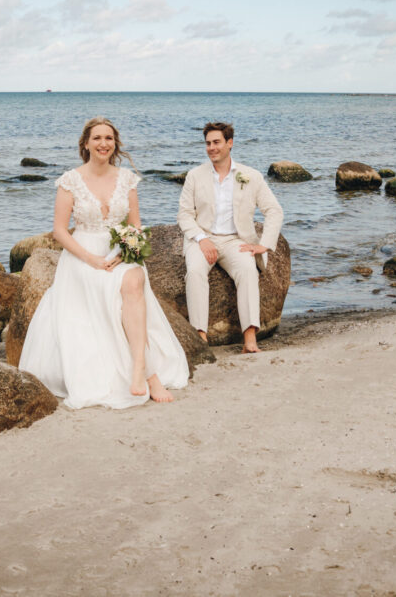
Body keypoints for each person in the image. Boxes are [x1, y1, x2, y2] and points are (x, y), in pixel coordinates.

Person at [18, 117, 189, 408]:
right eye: (97, 138)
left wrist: (126, 250)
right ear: (86, 144)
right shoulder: (70, 181)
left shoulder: (127, 179)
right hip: (82, 257)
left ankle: (140, 369)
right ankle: (150, 375)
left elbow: (135, 225)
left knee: (134, 280)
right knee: (111, 286)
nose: (103, 143)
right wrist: (92, 259)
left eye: (108, 138)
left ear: (115, 144)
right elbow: (60, 231)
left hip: (119, 252)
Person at [176, 121, 283, 353]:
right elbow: (184, 215)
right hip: (202, 238)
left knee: (247, 270)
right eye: (208, 143)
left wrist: (264, 245)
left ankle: (250, 338)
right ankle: (200, 337)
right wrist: (201, 239)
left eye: (216, 142)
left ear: (230, 143)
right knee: (194, 272)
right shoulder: (194, 175)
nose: (211, 148)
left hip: (236, 240)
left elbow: (274, 211)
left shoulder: (251, 176)